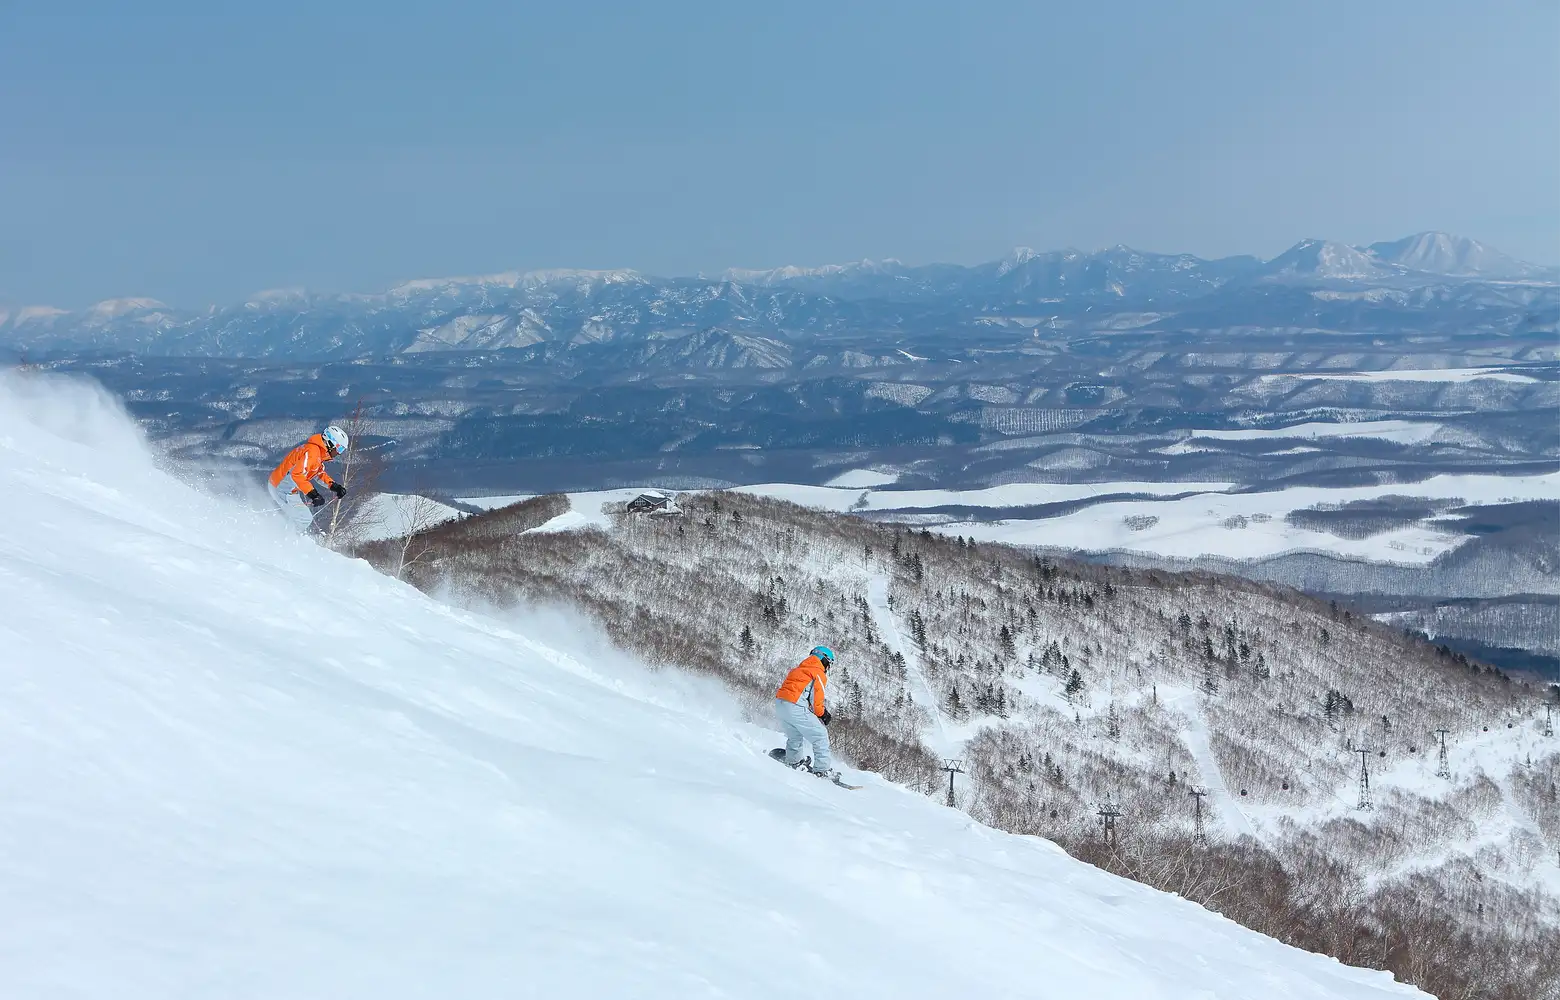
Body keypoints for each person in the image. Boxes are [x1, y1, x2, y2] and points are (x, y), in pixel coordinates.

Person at [267, 425, 349, 531]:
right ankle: (285, 539)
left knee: (300, 518)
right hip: (281, 488)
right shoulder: (312, 453)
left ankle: (285, 535)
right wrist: (314, 494)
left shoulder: (317, 453)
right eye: (339, 448)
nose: (338, 453)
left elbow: (318, 473)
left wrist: (334, 486)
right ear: (330, 443)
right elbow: (297, 474)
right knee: (304, 519)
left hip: (287, 489)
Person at [774, 645, 836, 777]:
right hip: (794, 706)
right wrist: (823, 714)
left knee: (795, 735)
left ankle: (793, 761)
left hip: (780, 704)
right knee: (820, 735)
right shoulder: (817, 672)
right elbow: (816, 701)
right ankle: (822, 770)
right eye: (829, 664)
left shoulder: (798, 670)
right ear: (824, 659)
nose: (828, 668)